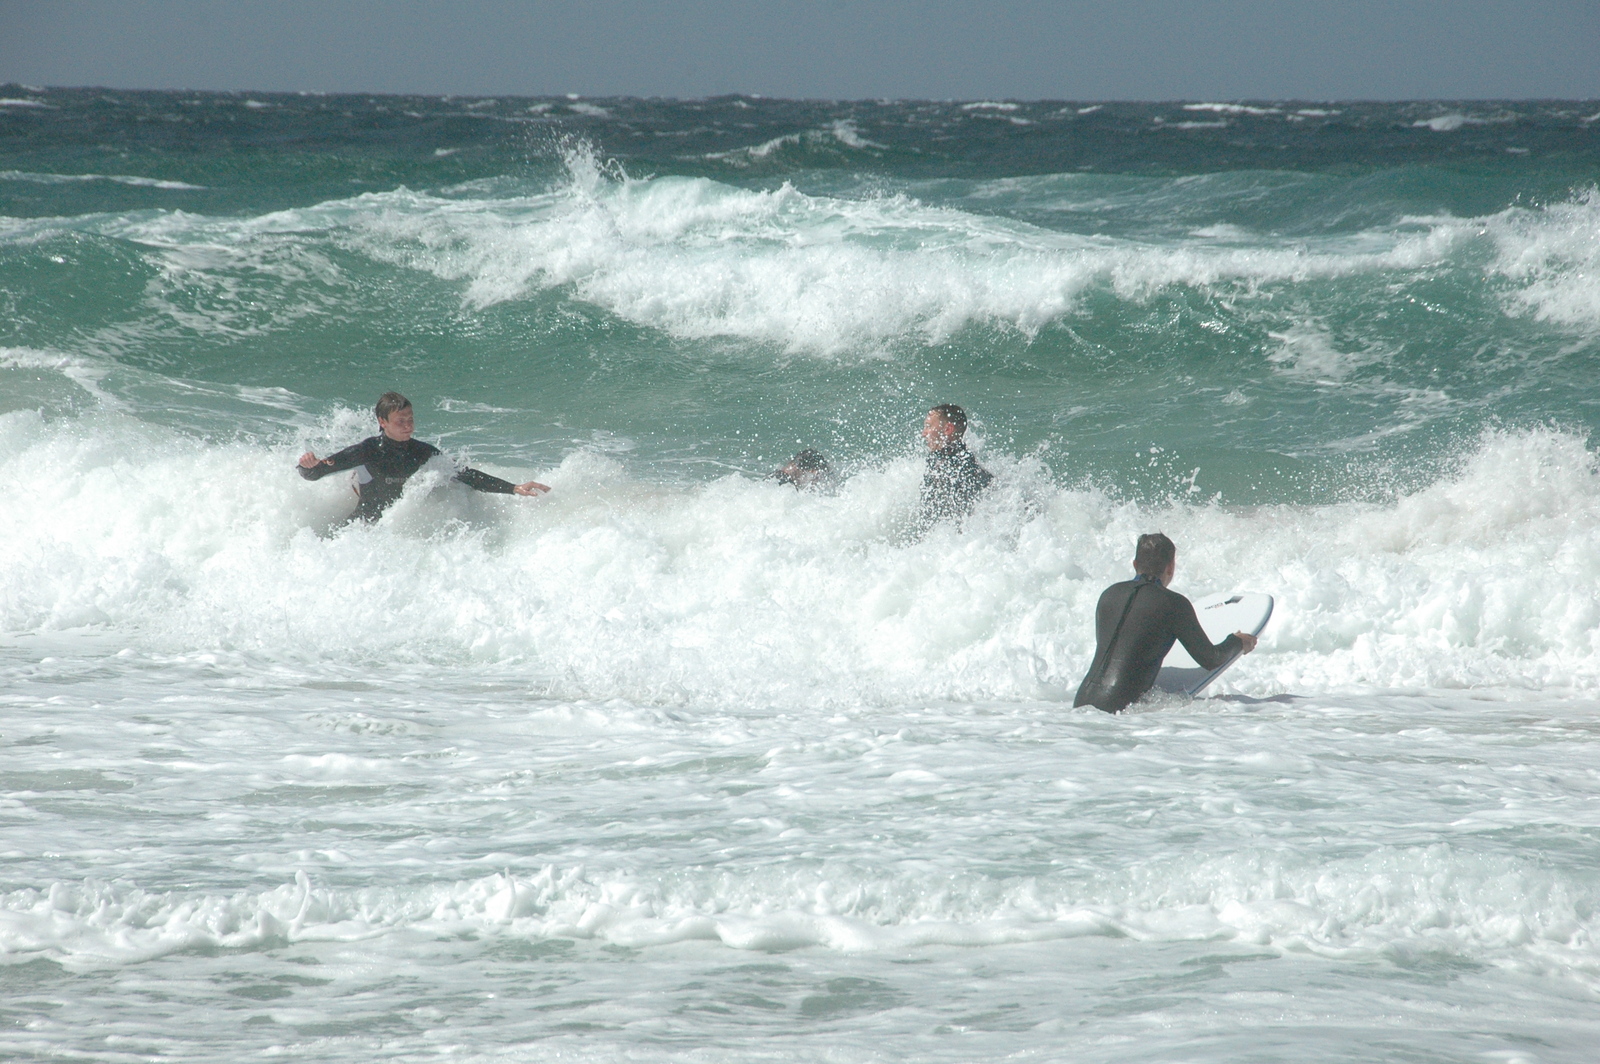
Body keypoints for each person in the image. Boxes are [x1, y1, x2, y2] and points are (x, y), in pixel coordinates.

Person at [1073, 533, 1258, 713]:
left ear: (1135, 564)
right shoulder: (1173, 604)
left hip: (1082, 701)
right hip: (1119, 709)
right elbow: (1211, 659)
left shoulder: (1109, 594)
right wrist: (1238, 642)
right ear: (1171, 567)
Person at [297, 392, 549, 523]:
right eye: (400, 421)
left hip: (398, 530)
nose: (408, 426)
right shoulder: (367, 450)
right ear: (382, 422)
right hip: (362, 528)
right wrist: (307, 466)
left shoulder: (423, 452)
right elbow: (316, 473)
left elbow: (465, 475)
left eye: (411, 419)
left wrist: (513, 488)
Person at [915, 403, 993, 534]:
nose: (924, 433)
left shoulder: (958, 466)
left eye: (928, 426)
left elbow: (963, 516)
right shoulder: (940, 460)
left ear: (947, 429)